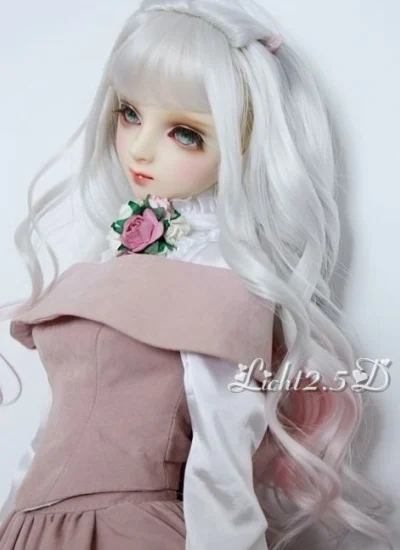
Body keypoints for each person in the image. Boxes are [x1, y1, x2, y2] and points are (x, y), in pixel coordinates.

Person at [0, 0, 395, 548]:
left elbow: (222, 459)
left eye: (185, 133)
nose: (140, 148)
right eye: (129, 113)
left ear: (241, 144)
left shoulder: (221, 279)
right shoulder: (115, 258)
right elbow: (51, 432)